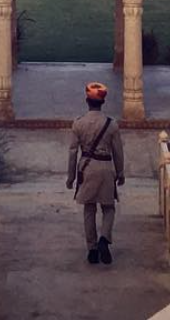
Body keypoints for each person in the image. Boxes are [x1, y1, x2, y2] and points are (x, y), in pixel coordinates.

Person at [67, 82, 125, 265]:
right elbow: (118, 151)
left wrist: (71, 177)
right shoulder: (111, 124)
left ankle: (92, 249)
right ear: (103, 102)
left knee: (89, 208)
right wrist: (120, 172)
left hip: (87, 167)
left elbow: (72, 152)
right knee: (108, 207)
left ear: (87, 101)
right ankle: (104, 239)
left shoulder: (78, 123)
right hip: (106, 167)